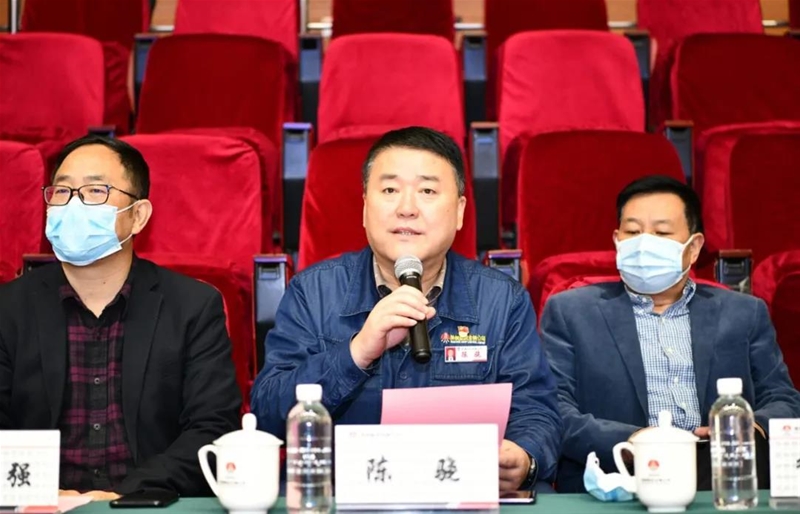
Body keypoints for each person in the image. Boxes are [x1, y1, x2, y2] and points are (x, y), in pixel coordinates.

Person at [250, 126, 562, 491]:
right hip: (341, 499)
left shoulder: (502, 300)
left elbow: (537, 409)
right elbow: (268, 413)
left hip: (460, 498)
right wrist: (356, 353)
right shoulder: (313, 292)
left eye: (427, 191)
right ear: (365, 207)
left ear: (460, 211)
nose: (407, 209)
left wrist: (524, 456)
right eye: (390, 191)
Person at [0, 135, 241, 499]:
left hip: (149, 504)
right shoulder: (8, 309)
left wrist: (126, 494)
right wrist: (47, 494)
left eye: (95, 191)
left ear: (137, 215)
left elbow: (212, 428)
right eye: (62, 192)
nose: (74, 205)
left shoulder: (192, 307)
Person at [541, 175, 800, 492]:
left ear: (694, 248)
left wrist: (746, 428)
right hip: (619, 477)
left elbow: (784, 399)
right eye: (633, 232)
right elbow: (552, 409)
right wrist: (633, 441)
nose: (644, 244)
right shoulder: (571, 312)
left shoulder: (744, 313)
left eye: (662, 233)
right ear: (617, 241)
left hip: (720, 476)